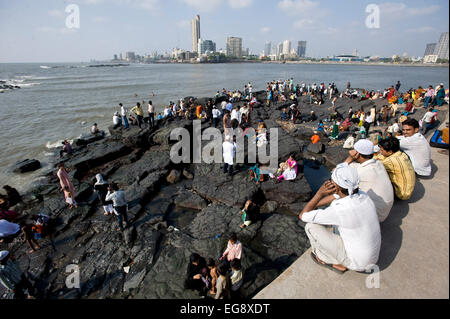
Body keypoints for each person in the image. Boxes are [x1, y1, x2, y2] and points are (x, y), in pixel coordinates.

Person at [299, 163, 381, 273]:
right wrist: (315, 205)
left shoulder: (339, 210)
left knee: (310, 226)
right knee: (339, 222)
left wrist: (319, 194)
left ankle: (328, 260)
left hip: (357, 264)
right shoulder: (363, 195)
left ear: (336, 186)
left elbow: (303, 216)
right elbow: (337, 197)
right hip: (372, 257)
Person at [345, 139, 394, 223]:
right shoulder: (378, 163)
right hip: (385, 209)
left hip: (377, 216)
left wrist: (350, 158)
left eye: (354, 150)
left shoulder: (361, 172)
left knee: (341, 194)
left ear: (357, 154)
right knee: (352, 166)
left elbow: (338, 171)